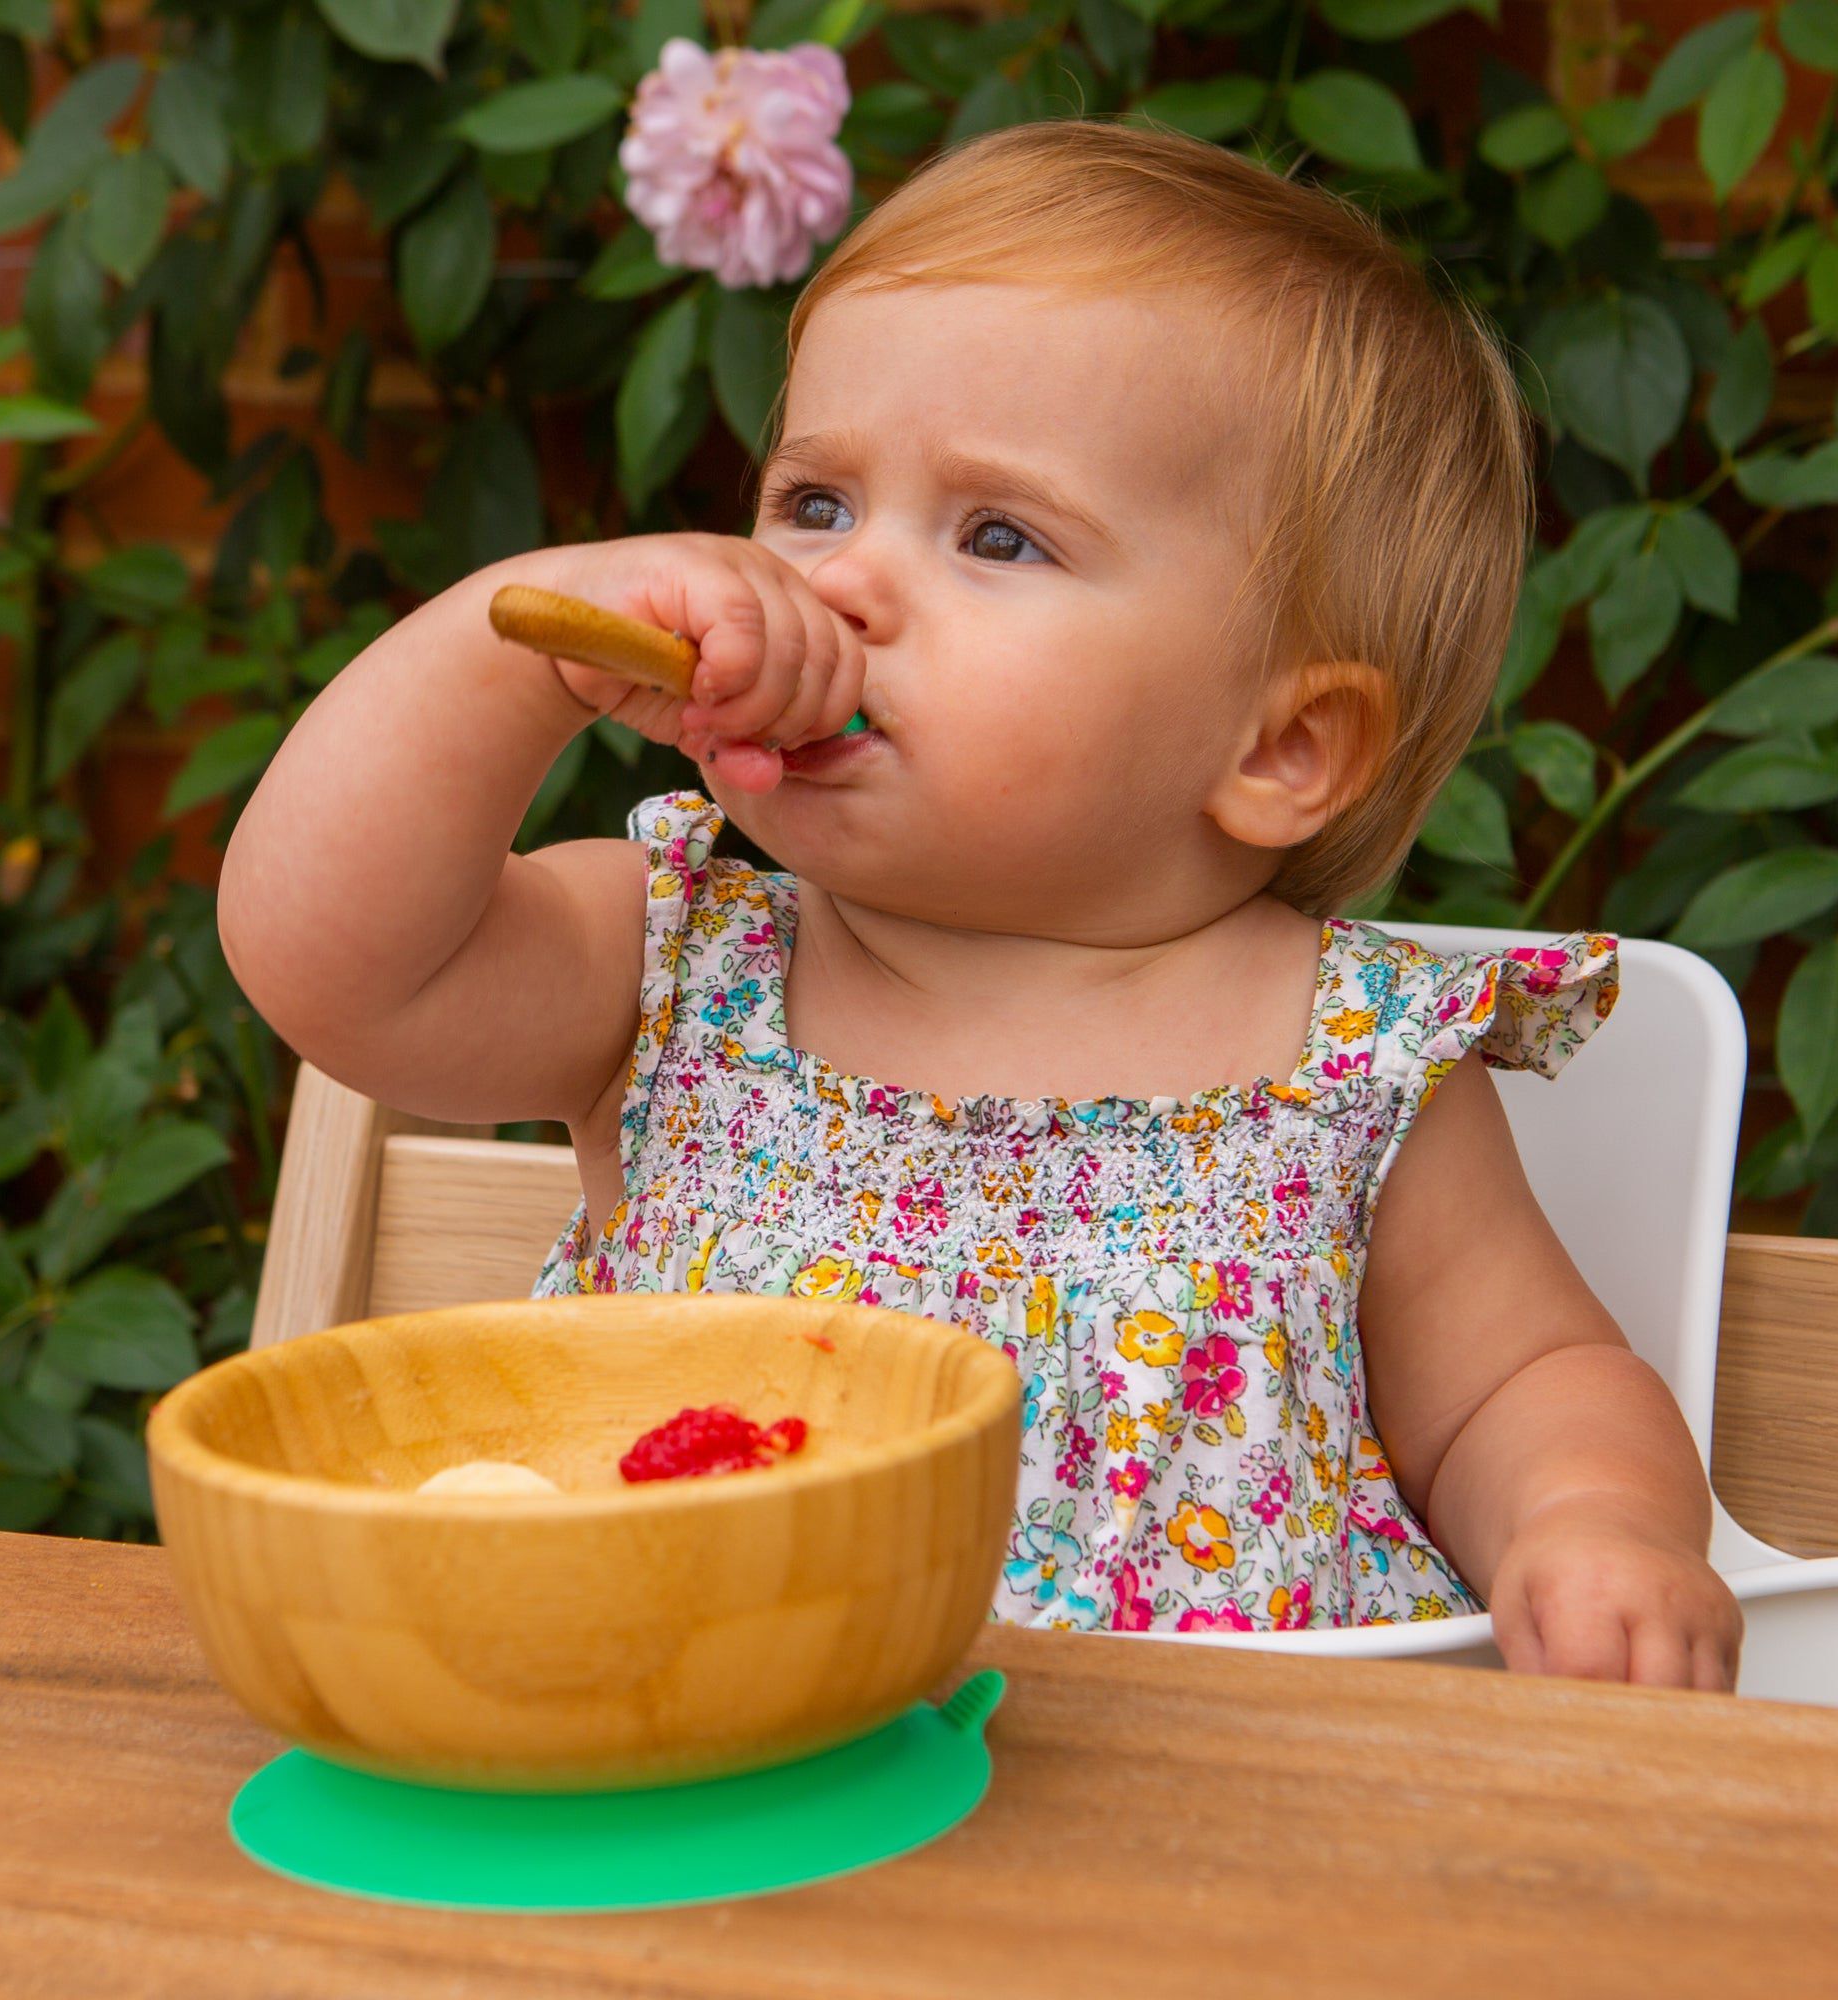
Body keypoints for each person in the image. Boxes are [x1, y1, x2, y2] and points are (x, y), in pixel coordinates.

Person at [219, 121, 1741, 1687]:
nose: (841, 585)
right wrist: (522, 645)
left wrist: (1596, 1528)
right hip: (712, 1793)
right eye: (813, 503)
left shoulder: (1349, 1065)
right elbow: (326, 959)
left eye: (995, 535)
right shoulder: (671, 973)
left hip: (1206, 1864)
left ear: (1280, 748)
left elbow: (1522, 1384)